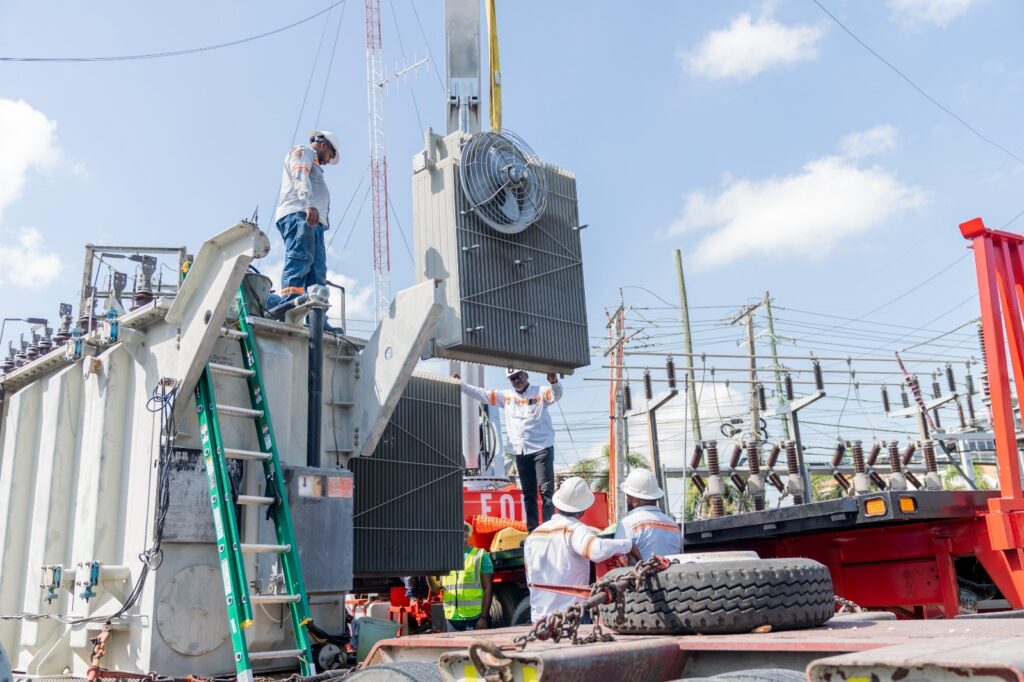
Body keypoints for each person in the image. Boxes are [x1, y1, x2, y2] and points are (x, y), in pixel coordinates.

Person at [455, 368, 562, 531]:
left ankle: (548, 530)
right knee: (529, 494)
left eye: (518, 376)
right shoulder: (506, 397)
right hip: (521, 451)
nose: (516, 380)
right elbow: (482, 394)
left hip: (542, 448)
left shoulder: (540, 392)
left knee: (546, 490)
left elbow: (556, 395)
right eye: (512, 379)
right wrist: (461, 385)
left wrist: (554, 382)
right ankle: (533, 531)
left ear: (526, 375)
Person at [523, 477, 637, 623]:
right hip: (570, 616)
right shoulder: (574, 529)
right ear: (582, 511)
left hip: (539, 618)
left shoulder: (533, 536)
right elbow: (597, 551)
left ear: (557, 504)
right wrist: (628, 545)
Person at [272, 130, 340, 304]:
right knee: (299, 259)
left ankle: (317, 314)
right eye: (330, 156)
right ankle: (289, 304)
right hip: (300, 214)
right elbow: (300, 175)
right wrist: (309, 204)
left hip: (313, 220)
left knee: (317, 270)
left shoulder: (312, 159)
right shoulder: (304, 151)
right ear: (324, 144)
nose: (327, 161)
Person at [428, 522, 494, 631]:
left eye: (465, 529)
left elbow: (488, 588)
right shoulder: (444, 559)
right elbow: (435, 589)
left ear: (468, 534)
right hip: (451, 620)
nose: (463, 531)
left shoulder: (480, 555)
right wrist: (428, 573)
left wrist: (484, 617)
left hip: (474, 619)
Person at [614, 469, 682, 560]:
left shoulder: (627, 525)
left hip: (642, 574)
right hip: (674, 574)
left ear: (635, 500)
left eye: (628, 497)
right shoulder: (674, 525)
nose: (627, 500)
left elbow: (619, 561)